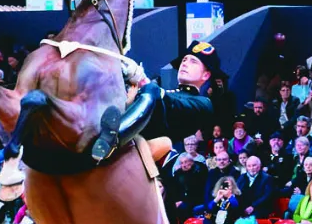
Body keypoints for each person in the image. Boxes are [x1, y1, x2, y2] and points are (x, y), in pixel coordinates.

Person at [93, 40, 224, 163]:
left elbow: (174, 106)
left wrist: (144, 82)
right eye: (184, 59)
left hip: (152, 138)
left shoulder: (203, 103)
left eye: (193, 61)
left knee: (152, 88)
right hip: (134, 128)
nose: (185, 63)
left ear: (205, 75)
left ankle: (113, 139)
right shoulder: (164, 91)